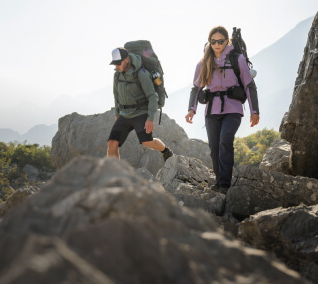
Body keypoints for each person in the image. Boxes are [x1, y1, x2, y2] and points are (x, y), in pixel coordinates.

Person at [185, 26, 259, 194]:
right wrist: (192, 110)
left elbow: (249, 86)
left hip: (233, 109)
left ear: (227, 41)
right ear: (209, 42)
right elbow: (196, 88)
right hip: (212, 111)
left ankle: (225, 184)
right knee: (214, 147)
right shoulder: (203, 62)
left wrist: (255, 111)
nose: (217, 44)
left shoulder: (237, 59)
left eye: (220, 41)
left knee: (225, 140)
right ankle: (219, 182)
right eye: (213, 41)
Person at [108, 47, 173, 161]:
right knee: (112, 143)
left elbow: (153, 96)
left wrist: (150, 118)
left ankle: (165, 151)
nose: (117, 66)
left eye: (119, 63)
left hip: (140, 113)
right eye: (115, 64)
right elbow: (116, 94)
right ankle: (114, 173)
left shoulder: (141, 74)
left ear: (127, 59)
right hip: (124, 114)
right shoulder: (117, 75)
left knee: (147, 142)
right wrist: (117, 112)